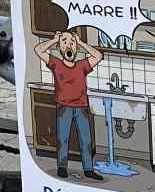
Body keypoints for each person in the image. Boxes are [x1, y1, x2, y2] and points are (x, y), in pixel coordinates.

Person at [33, 29, 103, 181]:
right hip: (64, 107)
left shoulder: (82, 66)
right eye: (64, 42)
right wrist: (54, 40)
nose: (68, 45)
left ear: (76, 48)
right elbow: (38, 50)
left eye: (72, 42)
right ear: (60, 48)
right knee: (62, 138)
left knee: (86, 140)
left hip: (81, 107)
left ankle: (88, 169)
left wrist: (81, 42)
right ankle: (62, 167)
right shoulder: (56, 63)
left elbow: (98, 56)